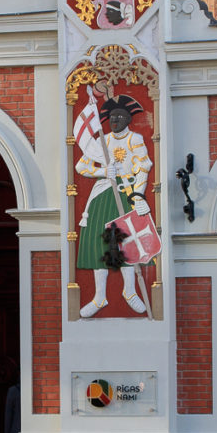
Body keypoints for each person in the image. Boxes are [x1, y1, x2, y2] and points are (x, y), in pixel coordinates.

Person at [75, 94, 152, 317]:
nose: (115, 120)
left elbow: (143, 167)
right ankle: (99, 297)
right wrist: (102, 171)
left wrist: (138, 196)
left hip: (126, 193)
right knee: (101, 245)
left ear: (128, 118)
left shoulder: (134, 139)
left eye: (120, 116)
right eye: (112, 117)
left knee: (127, 244)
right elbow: (82, 166)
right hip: (104, 195)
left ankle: (129, 291)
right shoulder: (103, 141)